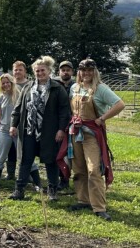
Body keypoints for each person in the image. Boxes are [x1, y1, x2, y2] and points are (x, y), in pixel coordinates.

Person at [60, 59, 124, 221]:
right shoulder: (75, 88)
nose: (86, 73)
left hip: (92, 135)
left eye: (89, 70)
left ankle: (99, 207)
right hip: (75, 133)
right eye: (83, 70)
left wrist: (102, 118)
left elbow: (119, 104)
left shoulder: (101, 89)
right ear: (79, 72)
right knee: (79, 168)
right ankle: (83, 200)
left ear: (94, 72)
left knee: (93, 169)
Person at [9, 56, 70, 201]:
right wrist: (13, 125)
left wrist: (61, 129)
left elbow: (64, 111)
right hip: (29, 130)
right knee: (26, 160)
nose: (40, 73)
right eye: (37, 71)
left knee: (51, 161)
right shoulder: (28, 87)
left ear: (49, 71)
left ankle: (52, 191)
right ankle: (19, 190)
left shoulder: (57, 88)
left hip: (49, 132)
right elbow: (18, 109)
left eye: (42, 70)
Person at [0, 74, 40, 192]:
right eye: (3, 83)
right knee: (0, 157)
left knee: (25, 156)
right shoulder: (0, 97)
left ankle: (38, 184)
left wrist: (17, 126)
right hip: (4, 131)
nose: (6, 85)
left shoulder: (19, 94)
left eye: (8, 82)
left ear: (12, 82)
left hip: (18, 131)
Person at [54, 60, 75, 191]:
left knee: (72, 153)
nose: (65, 72)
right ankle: (62, 178)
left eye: (68, 70)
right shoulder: (55, 84)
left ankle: (75, 179)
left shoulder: (76, 85)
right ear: (59, 72)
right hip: (58, 123)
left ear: (72, 72)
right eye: (63, 70)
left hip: (73, 123)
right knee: (58, 151)